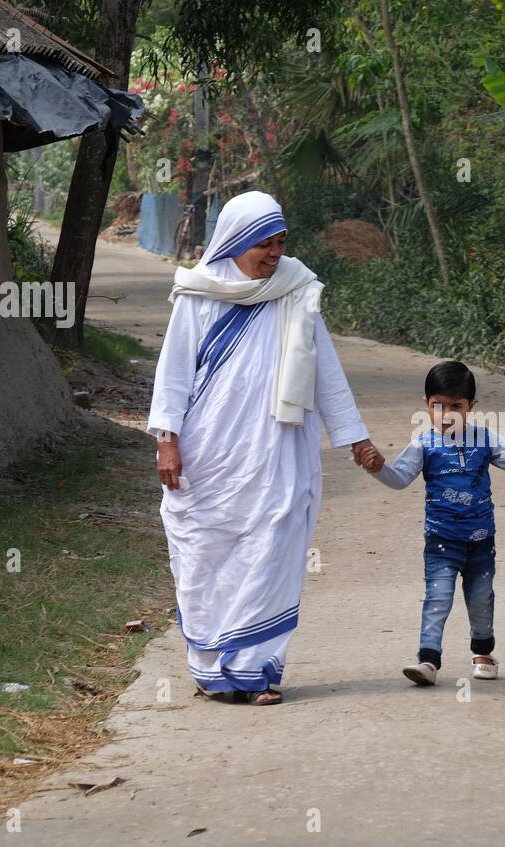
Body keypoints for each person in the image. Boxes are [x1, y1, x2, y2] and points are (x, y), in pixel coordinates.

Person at [147, 191, 384, 705]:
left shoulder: (296, 290)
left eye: (281, 242)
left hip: (278, 450)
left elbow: (326, 371)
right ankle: (212, 669)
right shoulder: (197, 294)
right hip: (210, 454)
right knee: (205, 552)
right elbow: (172, 376)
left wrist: (356, 437)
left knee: (273, 544)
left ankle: (255, 671)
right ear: (236, 241)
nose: (275, 253)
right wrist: (167, 442)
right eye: (264, 243)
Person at [360, 361, 505, 685]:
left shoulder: (485, 438)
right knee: (437, 599)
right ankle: (428, 661)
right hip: (441, 540)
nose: (447, 413)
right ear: (427, 405)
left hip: (481, 541)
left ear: (471, 407)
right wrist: (378, 467)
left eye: (456, 406)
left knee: (481, 599)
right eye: (438, 405)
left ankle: (483, 652)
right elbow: (398, 478)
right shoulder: (422, 444)